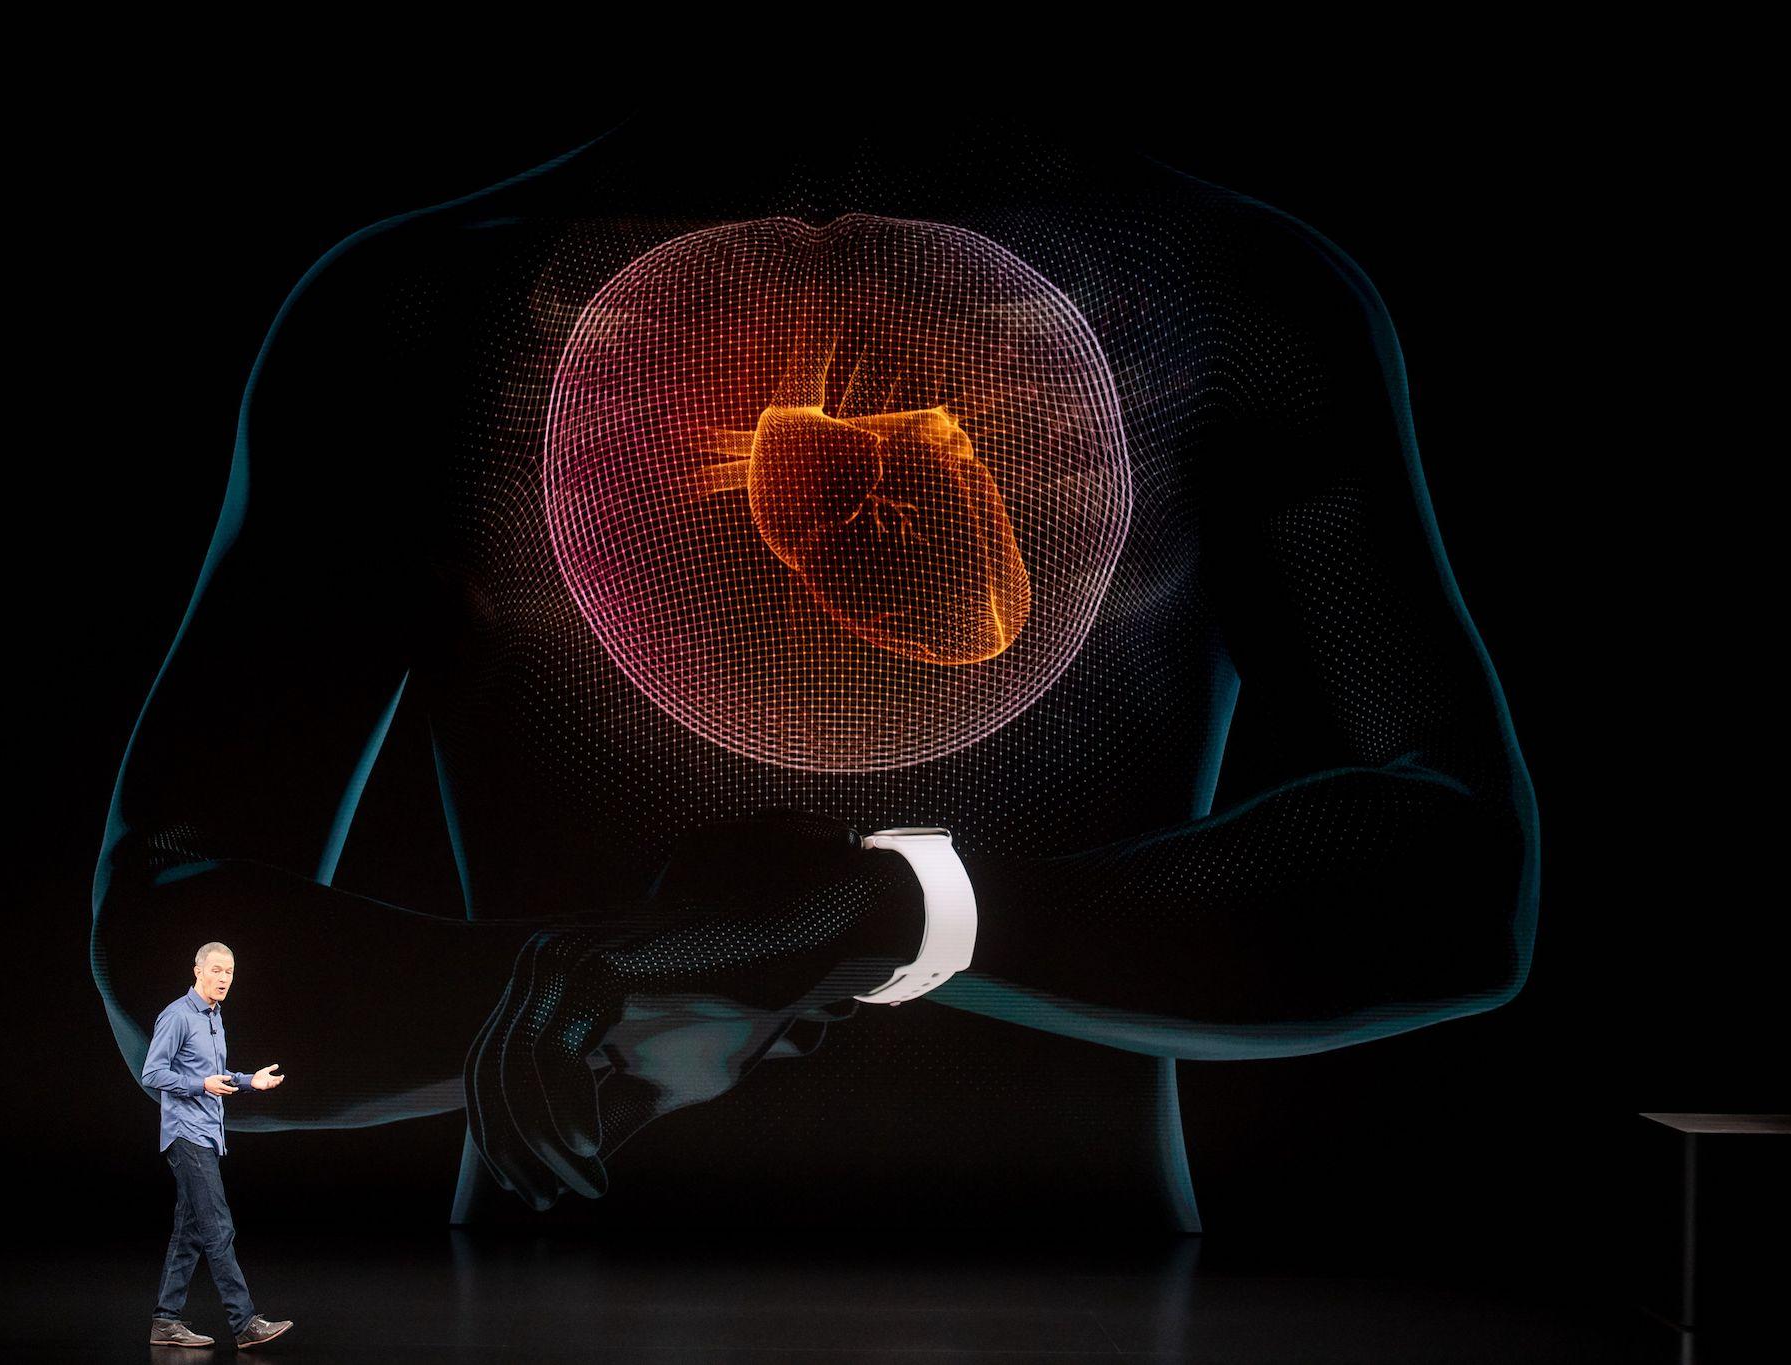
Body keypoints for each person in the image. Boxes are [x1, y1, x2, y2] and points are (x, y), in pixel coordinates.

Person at [92, 108, 1539, 1232]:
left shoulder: (1227, 300)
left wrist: (872, 915)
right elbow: (170, 941)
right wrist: (662, 970)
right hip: (572, 1301)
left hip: (1076, 1285)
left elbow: (1459, 873)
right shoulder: (424, 314)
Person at [140, 942, 294, 1349]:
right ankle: (244, 1323)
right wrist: (198, 1085)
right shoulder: (177, 1016)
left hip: (207, 1134)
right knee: (218, 1227)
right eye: (217, 970)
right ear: (198, 971)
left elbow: (215, 1075)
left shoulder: (213, 1017)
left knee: (190, 1231)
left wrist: (248, 1081)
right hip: (186, 1135)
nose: (224, 978)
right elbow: (152, 1073)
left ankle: (165, 1322)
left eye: (230, 971)